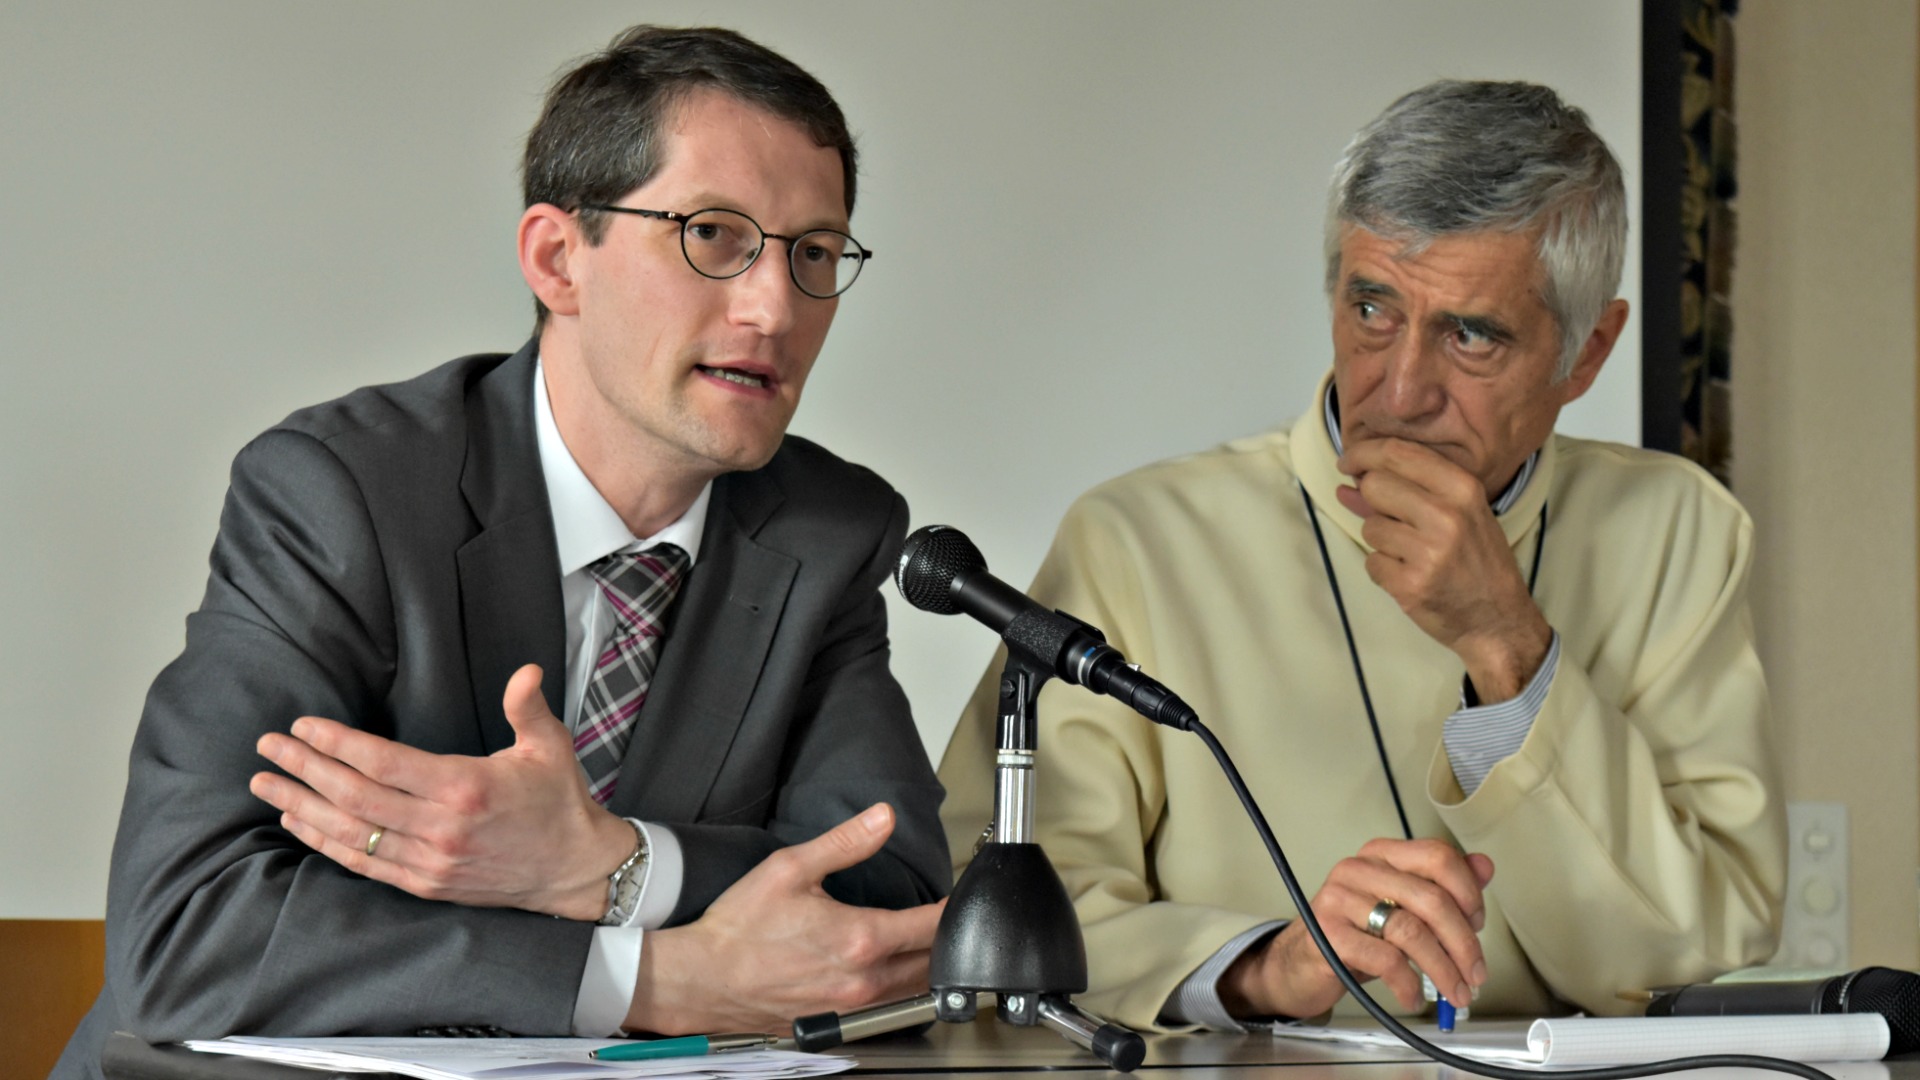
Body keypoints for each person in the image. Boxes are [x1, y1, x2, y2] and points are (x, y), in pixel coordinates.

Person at [57, 25, 948, 1079]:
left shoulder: (828, 529)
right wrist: (646, 977)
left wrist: (612, 869)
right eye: (714, 235)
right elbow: (187, 931)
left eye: (812, 253)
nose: (775, 307)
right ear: (557, 259)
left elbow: (893, 901)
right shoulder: (344, 493)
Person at [937, 80, 1784, 1033]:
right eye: (1372, 309)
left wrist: (1509, 645)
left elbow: (1697, 947)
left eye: (1470, 334)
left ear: (1587, 354)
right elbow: (986, 924)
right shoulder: (1134, 538)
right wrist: (1263, 966)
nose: (1402, 389)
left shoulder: (1676, 531)